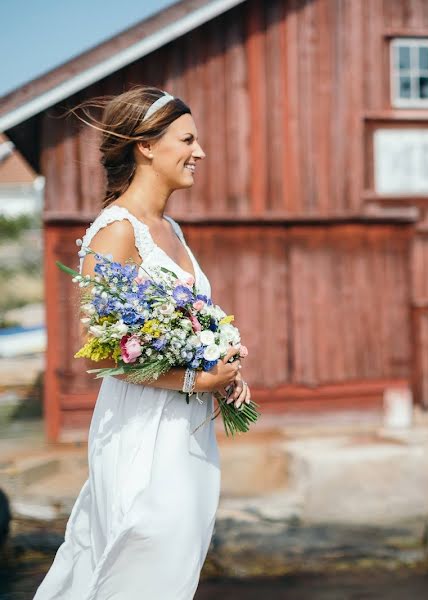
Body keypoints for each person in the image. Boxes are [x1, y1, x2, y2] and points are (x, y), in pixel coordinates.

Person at [34, 86, 250, 599]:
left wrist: (222, 364)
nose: (200, 153)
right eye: (188, 139)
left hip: (186, 430)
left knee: (175, 565)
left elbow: (188, 325)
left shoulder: (169, 227)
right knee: (140, 556)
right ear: (146, 146)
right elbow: (102, 354)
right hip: (139, 430)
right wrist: (196, 377)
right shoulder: (115, 231)